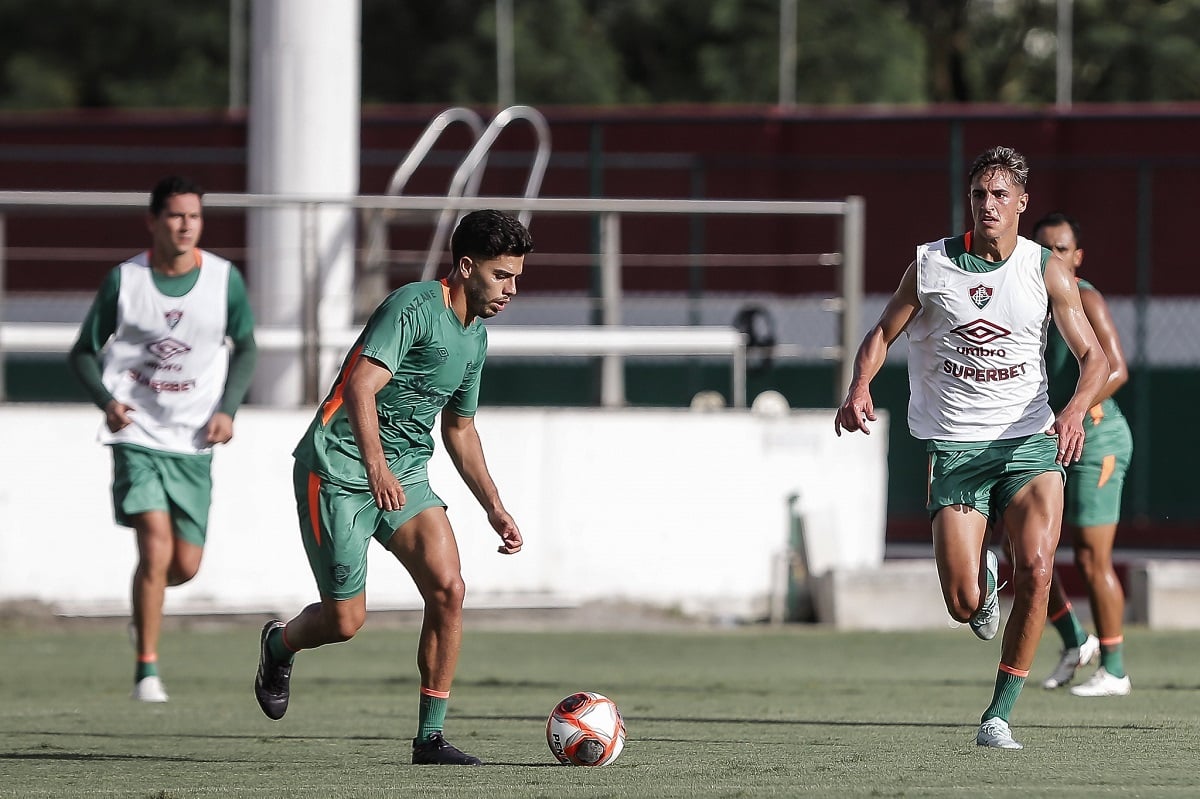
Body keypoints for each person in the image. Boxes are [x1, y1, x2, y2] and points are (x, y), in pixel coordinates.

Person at [833, 146, 1108, 749]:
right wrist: (859, 385)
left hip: (1029, 442)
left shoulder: (1045, 270)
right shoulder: (931, 264)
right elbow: (882, 332)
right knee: (963, 604)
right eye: (980, 194)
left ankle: (999, 714)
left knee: (1036, 569)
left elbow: (1095, 358)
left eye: (1000, 194)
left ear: (1021, 203)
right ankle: (981, 587)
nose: (988, 204)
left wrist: (1071, 409)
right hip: (956, 450)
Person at [253, 209, 532, 766]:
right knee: (345, 621)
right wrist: (374, 468)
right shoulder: (412, 307)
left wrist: (494, 507)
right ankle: (279, 644)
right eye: (502, 275)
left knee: (449, 590)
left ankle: (429, 740)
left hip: (403, 474)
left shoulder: (475, 338)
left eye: (517, 276)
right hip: (337, 469)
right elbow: (360, 387)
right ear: (467, 266)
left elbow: (459, 427)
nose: (511, 289)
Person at [69, 175, 258, 702]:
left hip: (194, 440)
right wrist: (108, 404)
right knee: (153, 546)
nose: (185, 225)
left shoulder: (224, 280)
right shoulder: (124, 281)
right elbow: (82, 351)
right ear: (152, 221)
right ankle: (146, 670)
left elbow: (246, 347)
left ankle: (142, 612)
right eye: (175, 215)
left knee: (184, 565)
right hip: (138, 434)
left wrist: (228, 409)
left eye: (193, 216)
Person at [1027, 212, 1133, 697]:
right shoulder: (1025, 294)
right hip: (1047, 437)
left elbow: (1115, 369)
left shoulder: (1084, 295)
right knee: (1026, 552)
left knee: (1091, 558)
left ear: (1078, 255)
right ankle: (1075, 641)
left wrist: (1070, 411)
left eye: (1063, 249)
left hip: (1096, 438)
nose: (1056, 257)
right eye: (1046, 248)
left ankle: (1114, 668)